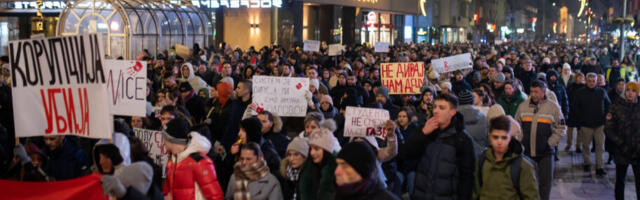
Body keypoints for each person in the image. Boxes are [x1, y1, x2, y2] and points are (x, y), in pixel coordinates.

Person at [399, 94, 476, 200]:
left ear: (452, 112)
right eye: (435, 107)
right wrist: (422, 134)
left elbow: (467, 178)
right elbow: (405, 154)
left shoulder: (463, 139)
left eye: (442, 108)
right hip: (422, 194)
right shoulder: (425, 131)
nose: (436, 111)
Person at [514, 80, 566, 200]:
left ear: (543, 92)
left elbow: (561, 128)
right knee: (527, 183)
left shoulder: (553, 108)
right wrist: (521, 140)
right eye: (531, 92)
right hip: (526, 153)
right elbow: (517, 126)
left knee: (545, 184)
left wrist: (549, 143)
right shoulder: (523, 106)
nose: (533, 95)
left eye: (536, 92)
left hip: (546, 153)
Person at [473, 115, 539, 200]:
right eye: (495, 137)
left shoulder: (523, 166)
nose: (499, 142)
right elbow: (475, 193)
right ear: (489, 137)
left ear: (510, 138)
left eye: (504, 138)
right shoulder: (482, 161)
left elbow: (531, 197)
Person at [162, 118, 224, 200]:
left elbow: (216, 197)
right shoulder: (171, 162)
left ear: (171, 139)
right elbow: (166, 192)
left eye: (165, 138)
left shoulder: (200, 162)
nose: (163, 142)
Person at [606, 81, 640, 200]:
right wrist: (620, 143)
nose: (630, 93)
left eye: (633, 91)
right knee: (620, 181)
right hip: (622, 151)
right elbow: (609, 128)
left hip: (638, 151)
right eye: (628, 90)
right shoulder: (616, 106)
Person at [573, 73, 611, 176]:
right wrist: (581, 120)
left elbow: (608, 104)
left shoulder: (601, 91)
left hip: (600, 124)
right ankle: (587, 163)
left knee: (600, 146)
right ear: (586, 81)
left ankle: (599, 167)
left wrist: (606, 116)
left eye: (593, 81)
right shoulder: (580, 93)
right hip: (586, 124)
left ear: (596, 81)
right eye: (589, 81)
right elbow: (576, 107)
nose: (591, 83)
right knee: (586, 146)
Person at [334, 141, 400, 200]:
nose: (337, 172)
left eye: (345, 166)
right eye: (338, 165)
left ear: (362, 169)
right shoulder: (339, 194)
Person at [299, 126, 342, 200]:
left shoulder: (338, 173)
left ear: (327, 151)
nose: (312, 153)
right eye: (311, 148)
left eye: (316, 149)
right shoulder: (308, 169)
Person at [457, 90, 489, 157]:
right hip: (479, 157)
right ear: (472, 101)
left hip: (458, 158)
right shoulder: (484, 118)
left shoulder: (452, 118)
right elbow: (488, 140)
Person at [565, 72, 585, 152]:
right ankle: (569, 144)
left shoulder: (584, 87)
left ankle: (578, 146)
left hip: (581, 111)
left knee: (580, 130)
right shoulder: (571, 86)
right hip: (572, 110)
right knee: (570, 129)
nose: (580, 79)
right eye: (579, 78)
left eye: (582, 78)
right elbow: (567, 96)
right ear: (576, 78)